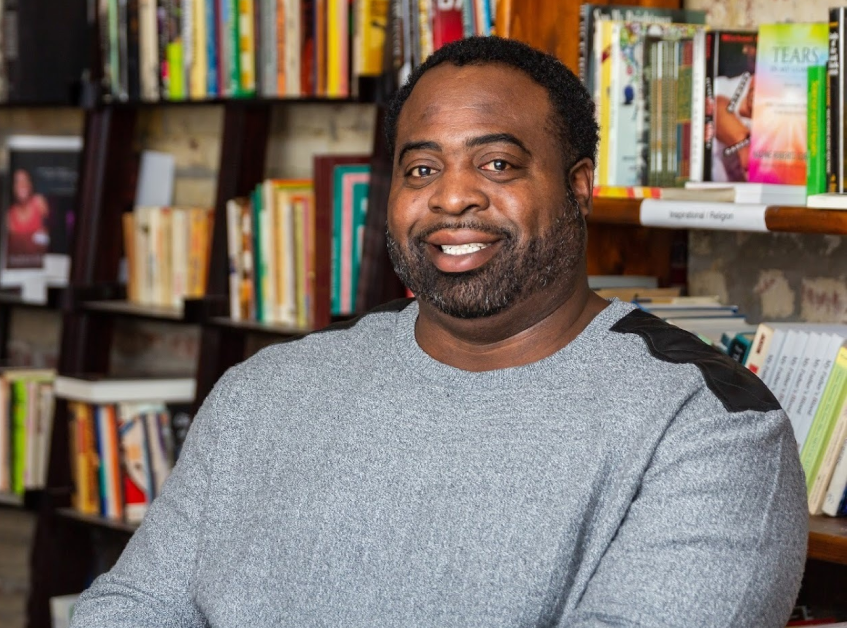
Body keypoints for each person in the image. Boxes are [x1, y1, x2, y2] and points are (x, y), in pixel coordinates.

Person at [70, 37, 807, 627]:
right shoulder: (265, 390)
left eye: (497, 163)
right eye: (421, 168)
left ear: (579, 186)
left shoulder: (711, 428)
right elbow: (130, 610)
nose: (452, 196)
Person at [5, 168, 51, 266]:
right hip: (20, 263)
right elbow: (13, 247)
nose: (22, 185)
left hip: (41, 262)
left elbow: (51, 233)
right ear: (13, 187)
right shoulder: (9, 215)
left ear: (30, 184)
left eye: (25, 180)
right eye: (17, 181)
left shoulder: (39, 202)